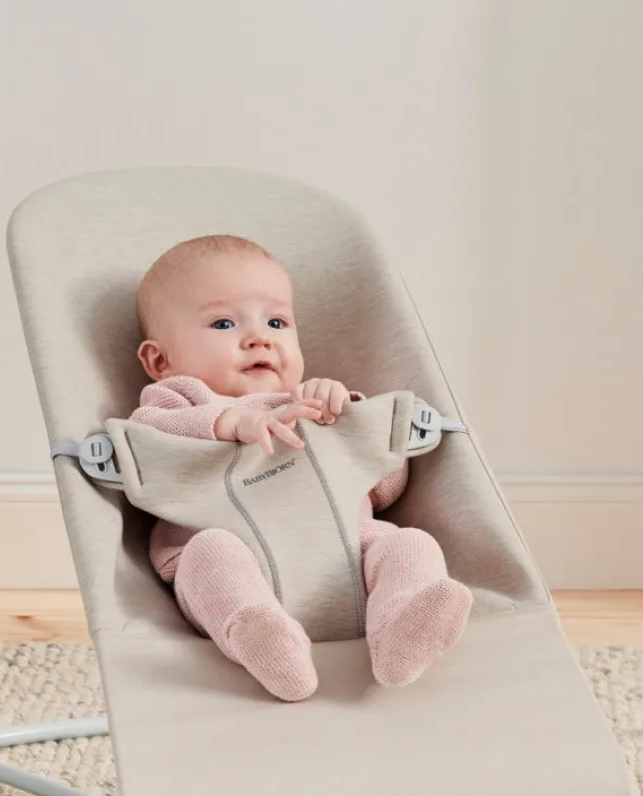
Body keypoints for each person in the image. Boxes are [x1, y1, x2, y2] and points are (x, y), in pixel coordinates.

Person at [127, 233, 472, 701]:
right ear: (161, 360)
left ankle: (401, 629)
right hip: (239, 556)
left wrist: (346, 420)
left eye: (276, 321)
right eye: (224, 323)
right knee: (209, 554)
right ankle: (263, 637)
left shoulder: (312, 403)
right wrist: (229, 422)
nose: (259, 337)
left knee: (410, 543)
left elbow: (384, 488)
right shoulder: (180, 401)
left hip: (344, 556)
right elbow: (148, 447)